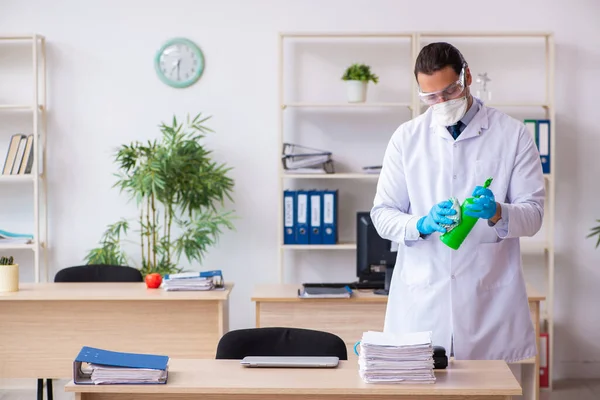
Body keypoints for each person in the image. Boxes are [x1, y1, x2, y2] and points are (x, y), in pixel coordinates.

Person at [370, 42, 545, 362]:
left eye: (449, 92)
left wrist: (498, 212)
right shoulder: (407, 138)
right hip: (422, 302)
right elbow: (382, 214)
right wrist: (420, 223)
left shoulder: (512, 135)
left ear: (467, 77)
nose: (441, 102)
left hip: (489, 307)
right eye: (430, 97)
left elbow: (533, 216)